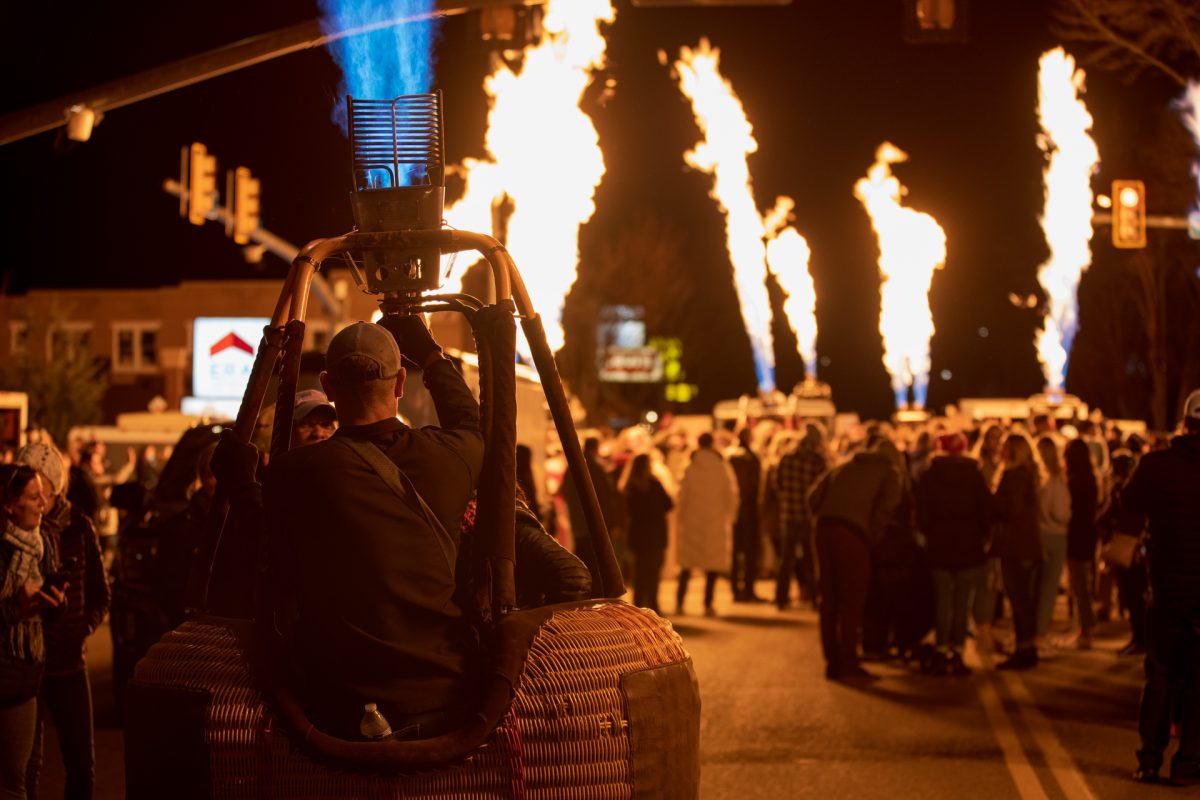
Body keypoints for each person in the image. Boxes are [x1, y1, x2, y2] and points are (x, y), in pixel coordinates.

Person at [261, 317, 484, 741]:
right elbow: (471, 423)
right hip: (440, 694)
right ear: (400, 383)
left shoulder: (293, 475)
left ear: (328, 385)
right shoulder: (449, 458)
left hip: (335, 702)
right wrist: (431, 353)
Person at [16, 443, 110, 800]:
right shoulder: (15, 532)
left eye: (46, 491)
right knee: (27, 765)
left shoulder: (78, 527)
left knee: (81, 765)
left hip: (70, 664)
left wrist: (81, 628)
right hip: (27, 665)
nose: (39, 500)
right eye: (30, 490)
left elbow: (102, 594)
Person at [1124, 389, 1200, 786]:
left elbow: (1126, 508)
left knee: (1161, 673)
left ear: (1185, 424)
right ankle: (1188, 764)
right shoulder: (1156, 465)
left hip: (1168, 582)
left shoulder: (1156, 465)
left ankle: (1150, 759)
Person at [807, 438, 901, 681]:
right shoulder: (890, 472)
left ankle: (832, 662)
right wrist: (873, 537)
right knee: (852, 600)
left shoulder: (844, 466)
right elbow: (886, 509)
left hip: (823, 528)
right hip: (853, 533)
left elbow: (812, 497)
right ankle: (849, 663)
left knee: (829, 599)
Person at [0, 464, 64, 800]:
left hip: (22, 677)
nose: (42, 505)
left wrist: (55, 603)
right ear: (9, 504)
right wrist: (14, 607)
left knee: (15, 779)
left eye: (44, 497)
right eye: (33, 497)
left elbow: (48, 621)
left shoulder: (42, 545)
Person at [915, 432, 993, 676]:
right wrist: (982, 536)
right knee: (962, 603)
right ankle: (957, 650)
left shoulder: (929, 476)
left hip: (939, 546)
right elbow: (985, 512)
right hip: (969, 547)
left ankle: (940, 648)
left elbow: (922, 513)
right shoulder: (974, 476)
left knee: (942, 600)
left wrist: (929, 533)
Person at [992, 433, 1044, 671]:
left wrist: (991, 502)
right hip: (1028, 545)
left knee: (1020, 600)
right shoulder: (1029, 475)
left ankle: (1023, 650)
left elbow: (1009, 510)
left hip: (1015, 546)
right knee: (1026, 601)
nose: (1001, 450)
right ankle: (1027, 647)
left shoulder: (1014, 476)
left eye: (1005, 447)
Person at [674, 433, 739, 617]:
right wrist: (730, 517)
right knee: (712, 565)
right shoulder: (721, 466)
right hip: (715, 522)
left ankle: (680, 602)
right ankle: (708, 604)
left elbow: (682, 495)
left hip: (692, 521)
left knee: (687, 564)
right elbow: (731, 494)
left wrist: (682, 517)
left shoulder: (690, 466)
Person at [774, 423, 829, 610]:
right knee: (811, 560)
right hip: (809, 515)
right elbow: (823, 489)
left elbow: (778, 483)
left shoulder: (787, 457)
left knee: (785, 560)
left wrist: (788, 499)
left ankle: (781, 598)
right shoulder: (817, 460)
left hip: (789, 514)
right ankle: (814, 599)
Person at [560, 437, 621, 594]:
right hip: (592, 525)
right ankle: (595, 592)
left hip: (578, 523)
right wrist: (611, 522)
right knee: (594, 563)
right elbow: (605, 498)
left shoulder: (571, 468)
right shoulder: (595, 468)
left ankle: (582, 592)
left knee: (582, 560)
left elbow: (563, 491)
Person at [620, 452, 673, 614]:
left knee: (640, 573)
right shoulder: (655, 485)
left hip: (638, 535)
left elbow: (628, 513)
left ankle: (638, 605)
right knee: (653, 572)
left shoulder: (629, 488)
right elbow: (669, 504)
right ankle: (654, 604)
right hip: (655, 534)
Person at [1033, 435, 1070, 649]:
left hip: (1037, 535)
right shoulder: (1056, 481)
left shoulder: (1035, 479)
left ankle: (1033, 632)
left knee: (1036, 587)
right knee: (1048, 589)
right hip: (1055, 536)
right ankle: (1040, 634)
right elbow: (1060, 512)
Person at [1063, 437, 1100, 650]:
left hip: (1075, 534)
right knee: (1082, 582)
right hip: (1088, 533)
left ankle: (1085, 628)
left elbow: (1070, 510)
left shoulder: (1073, 481)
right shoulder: (1091, 478)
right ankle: (1082, 626)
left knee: (1079, 584)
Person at [727, 429, 764, 602]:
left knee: (735, 552)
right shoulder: (751, 458)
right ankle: (748, 589)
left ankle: (735, 589)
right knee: (750, 551)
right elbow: (755, 485)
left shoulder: (730, 457)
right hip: (748, 509)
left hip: (735, 510)